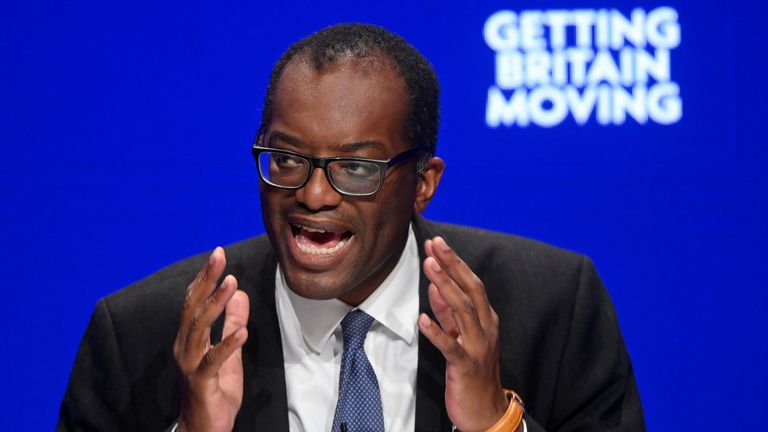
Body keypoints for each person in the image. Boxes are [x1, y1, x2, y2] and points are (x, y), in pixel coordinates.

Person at [59, 24, 645, 432]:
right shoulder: (140, 334)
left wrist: (496, 422)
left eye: (357, 168)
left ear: (423, 182)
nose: (312, 195)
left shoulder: (552, 308)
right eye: (287, 159)